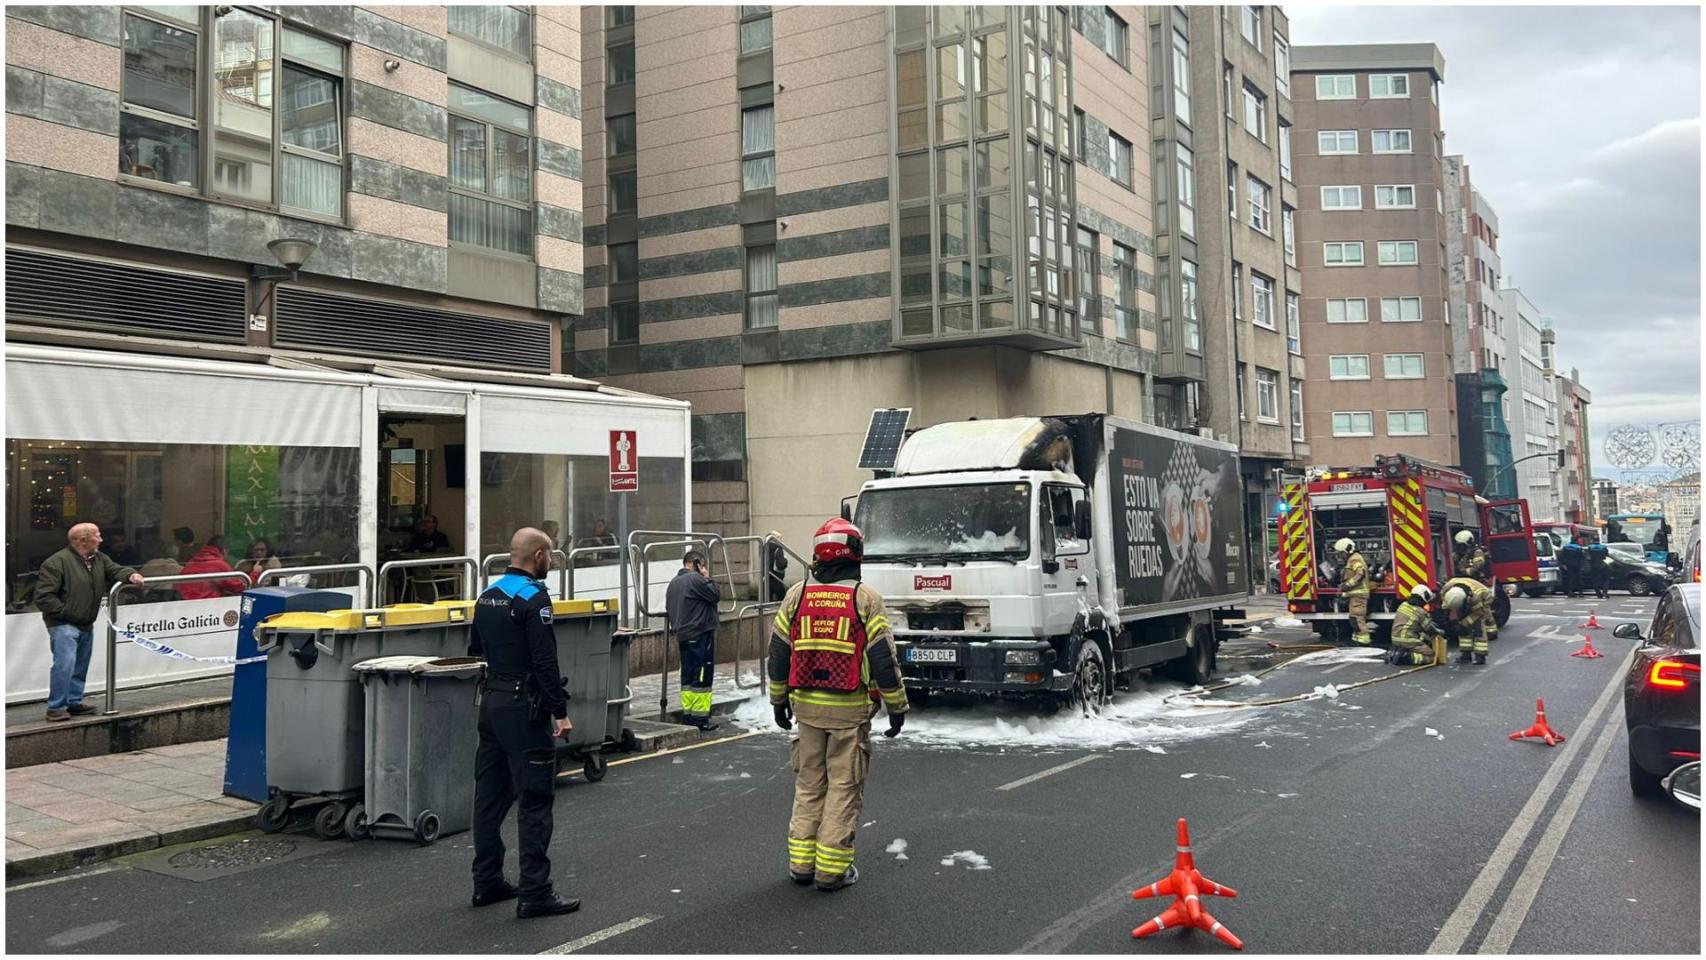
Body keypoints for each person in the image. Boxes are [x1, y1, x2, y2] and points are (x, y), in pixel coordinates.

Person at [768, 518, 908, 893]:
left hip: (806, 711)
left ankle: (801, 865)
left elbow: (779, 652)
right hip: (849, 711)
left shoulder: (796, 595)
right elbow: (882, 660)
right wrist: (897, 707)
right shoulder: (864, 598)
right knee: (844, 787)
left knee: (809, 785)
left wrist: (778, 700)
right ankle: (831, 871)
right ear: (855, 553)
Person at [467, 527, 580, 919]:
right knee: (534, 799)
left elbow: (475, 648)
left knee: (490, 796)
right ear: (537, 557)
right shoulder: (535, 598)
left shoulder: (487, 596)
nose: (550, 560)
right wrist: (559, 711)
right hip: (523, 709)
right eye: (549, 554)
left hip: (491, 702)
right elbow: (545, 661)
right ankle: (535, 891)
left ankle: (486, 880)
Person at [32, 523, 144, 721]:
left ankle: (73, 701)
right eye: (97, 535)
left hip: (85, 621)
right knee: (65, 664)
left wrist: (130, 574)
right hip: (63, 623)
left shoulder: (99, 559)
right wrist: (66, 612)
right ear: (83, 540)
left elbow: (115, 570)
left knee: (80, 664)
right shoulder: (56, 562)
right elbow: (44, 596)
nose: (101, 540)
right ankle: (56, 707)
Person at [665, 549, 721, 731]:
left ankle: (688, 714)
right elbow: (715, 595)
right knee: (701, 676)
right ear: (696, 564)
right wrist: (708, 577)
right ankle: (700, 718)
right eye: (702, 565)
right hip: (700, 633)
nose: (703, 568)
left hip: (683, 635)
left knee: (687, 676)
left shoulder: (673, 583)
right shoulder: (695, 579)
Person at [176, 535, 249, 600]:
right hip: (207, 606)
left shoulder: (192, 561)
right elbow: (240, 587)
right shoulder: (219, 564)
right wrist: (255, 573)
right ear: (224, 550)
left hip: (184, 604)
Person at [1440, 577, 1492, 665]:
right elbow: (1445, 601)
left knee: (1478, 627)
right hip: (1465, 598)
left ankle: (1480, 656)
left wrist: (1463, 623)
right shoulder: (1447, 588)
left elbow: (1477, 613)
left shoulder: (1475, 597)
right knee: (1462, 628)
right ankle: (1466, 655)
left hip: (1485, 598)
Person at [1388, 585, 1442, 666]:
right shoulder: (1420, 611)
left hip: (1395, 639)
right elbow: (1429, 629)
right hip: (1408, 640)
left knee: (1422, 638)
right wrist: (1440, 632)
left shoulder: (1403, 605)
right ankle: (1407, 657)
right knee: (1431, 655)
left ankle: (1395, 653)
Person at [1333, 537, 1371, 645]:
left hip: (1358, 594)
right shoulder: (1353, 558)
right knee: (1354, 619)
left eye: (1341, 553)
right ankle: (1357, 639)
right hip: (1356, 594)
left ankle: (1363, 641)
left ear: (1348, 550)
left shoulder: (1354, 559)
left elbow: (1360, 573)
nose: (1341, 556)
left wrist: (1347, 585)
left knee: (1357, 618)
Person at [765, 531, 789, 604]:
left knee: (767, 598)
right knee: (783, 598)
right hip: (776, 576)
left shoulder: (764, 548)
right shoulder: (778, 549)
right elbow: (780, 564)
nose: (781, 540)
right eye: (780, 538)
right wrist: (786, 561)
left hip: (766, 576)